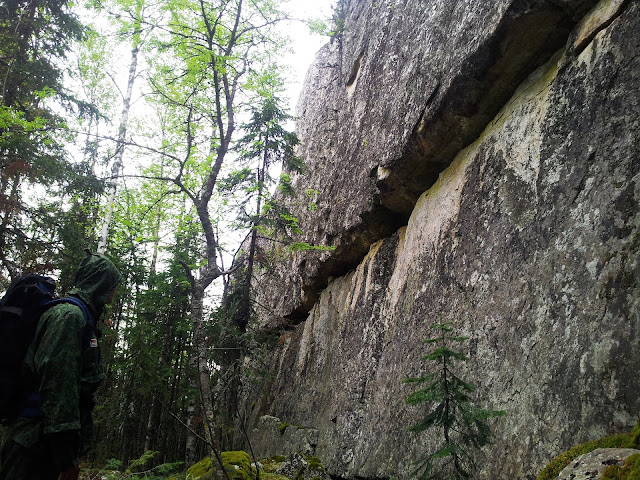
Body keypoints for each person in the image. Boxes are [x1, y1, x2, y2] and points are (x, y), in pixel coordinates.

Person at [0, 251, 122, 480]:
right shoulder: (69, 316)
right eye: (112, 284)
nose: (114, 291)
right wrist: (66, 458)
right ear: (101, 283)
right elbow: (58, 387)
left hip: (45, 443)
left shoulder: (81, 316)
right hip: (33, 445)